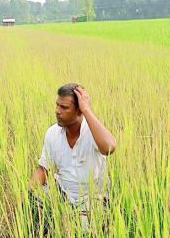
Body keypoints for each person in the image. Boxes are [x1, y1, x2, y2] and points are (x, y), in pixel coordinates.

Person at [28, 83, 116, 232]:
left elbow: (109, 147)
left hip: (92, 198)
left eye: (64, 107)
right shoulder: (52, 133)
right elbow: (43, 169)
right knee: (31, 204)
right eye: (57, 105)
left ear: (79, 111)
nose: (57, 111)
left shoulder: (93, 131)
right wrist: (27, 191)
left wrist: (87, 109)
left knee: (80, 229)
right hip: (62, 193)